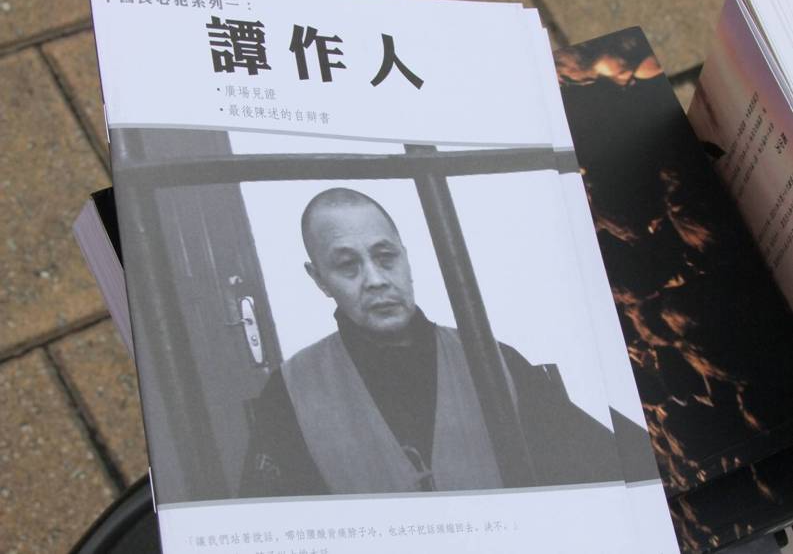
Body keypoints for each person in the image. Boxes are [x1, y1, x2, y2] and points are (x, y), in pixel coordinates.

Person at [240, 188, 623, 496]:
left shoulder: (493, 361)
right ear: (319, 279)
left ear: (406, 258)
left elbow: (601, 470)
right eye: (347, 265)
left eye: (385, 257)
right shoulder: (290, 391)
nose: (375, 280)